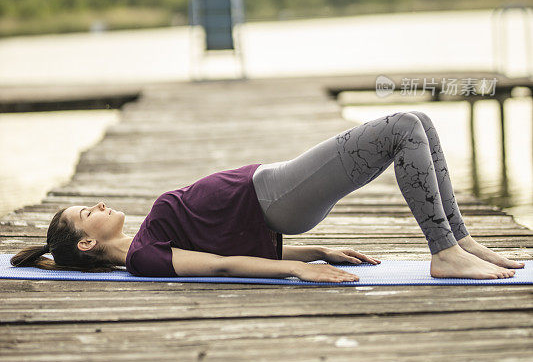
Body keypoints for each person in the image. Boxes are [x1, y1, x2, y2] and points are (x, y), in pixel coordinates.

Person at [10, 110, 523, 283]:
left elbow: (223, 245)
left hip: (277, 191)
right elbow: (220, 266)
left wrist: (314, 250)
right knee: (404, 126)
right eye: (86, 213)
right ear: (84, 245)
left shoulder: (147, 242)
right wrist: (297, 270)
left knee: (419, 123)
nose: (97, 205)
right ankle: (445, 255)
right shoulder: (144, 256)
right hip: (277, 197)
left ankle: (460, 240)